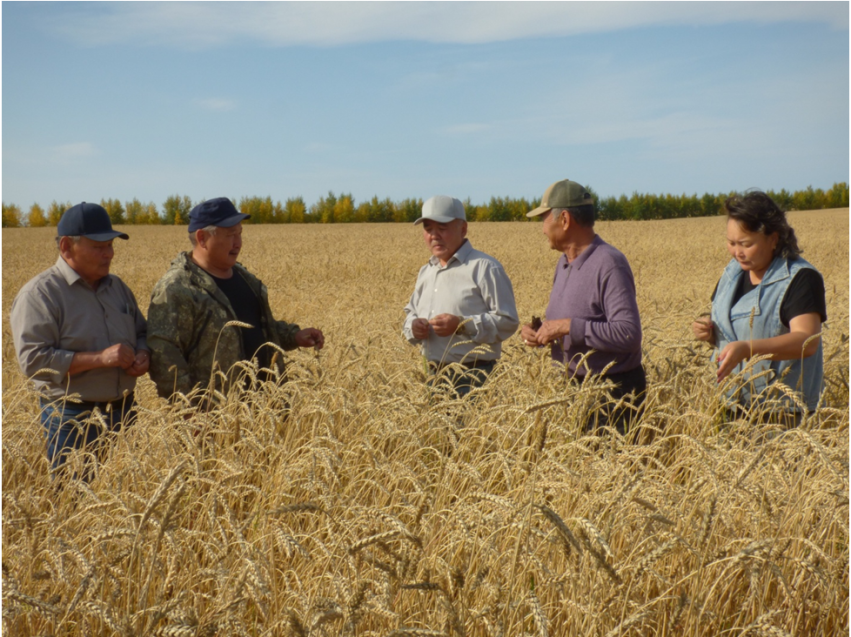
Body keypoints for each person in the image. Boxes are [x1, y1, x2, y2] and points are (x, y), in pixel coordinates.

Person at [10, 202, 149, 477]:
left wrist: (144, 354)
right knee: (73, 502)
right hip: (72, 419)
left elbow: (142, 331)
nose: (109, 254)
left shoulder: (117, 288)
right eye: (98, 247)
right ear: (66, 247)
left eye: (110, 245)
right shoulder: (40, 295)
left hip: (125, 412)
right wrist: (100, 359)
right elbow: (34, 361)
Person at [147, 197, 324, 403]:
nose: (238, 243)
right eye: (231, 235)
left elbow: (256, 328)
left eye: (240, 233)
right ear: (202, 238)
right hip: (217, 419)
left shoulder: (244, 277)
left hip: (267, 409)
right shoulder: (177, 288)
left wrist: (294, 336)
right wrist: (189, 413)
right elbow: (164, 356)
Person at [520, 179, 645, 434]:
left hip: (611, 396)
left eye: (544, 219)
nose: (542, 228)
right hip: (572, 391)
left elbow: (628, 335)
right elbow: (570, 324)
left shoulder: (609, 263)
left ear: (564, 219)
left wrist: (568, 327)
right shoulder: (563, 263)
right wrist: (541, 332)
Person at [692, 191, 825, 424]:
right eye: (731, 243)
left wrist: (748, 349)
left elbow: (807, 341)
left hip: (781, 412)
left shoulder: (800, 278)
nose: (736, 252)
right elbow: (730, 320)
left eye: (746, 244)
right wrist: (707, 328)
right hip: (731, 403)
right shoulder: (731, 273)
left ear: (773, 238)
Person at [403, 195, 519, 397]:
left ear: (463, 229)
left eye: (442, 228)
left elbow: (508, 321)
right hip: (431, 375)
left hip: (474, 377)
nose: (434, 236)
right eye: (428, 229)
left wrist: (462, 325)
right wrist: (413, 327)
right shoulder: (426, 271)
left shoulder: (485, 268)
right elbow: (410, 312)